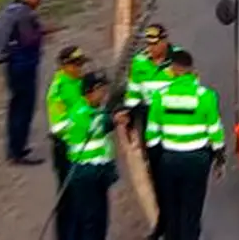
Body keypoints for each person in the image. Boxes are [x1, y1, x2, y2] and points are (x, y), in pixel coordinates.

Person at [145, 50, 225, 240]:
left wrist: (155, 162)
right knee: (191, 210)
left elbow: (152, 135)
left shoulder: (160, 96)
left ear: (172, 71)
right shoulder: (206, 96)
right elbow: (215, 131)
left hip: (169, 160)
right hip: (197, 161)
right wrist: (219, 158)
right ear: (192, 70)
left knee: (172, 210)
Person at [124, 23, 181, 239]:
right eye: (148, 44)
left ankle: (181, 224)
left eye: (155, 44)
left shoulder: (178, 60)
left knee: (176, 177)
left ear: (165, 41)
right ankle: (163, 221)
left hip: (173, 122)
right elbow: (133, 94)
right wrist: (130, 119)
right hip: (150, 124)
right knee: (156, 176)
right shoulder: (139, 62)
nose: (151, 48)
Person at [65, 71, 128, 240]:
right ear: (90, 91)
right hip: (85, 174)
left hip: (98, 173)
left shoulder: (95, 109)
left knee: (100, 220)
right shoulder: (79, 112)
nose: (104, 94)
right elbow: (97, 125)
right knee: (90, 221)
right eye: (101, 91)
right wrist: (115, 119)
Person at [6, 0, 60, 165]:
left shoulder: (12, 8)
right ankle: (18, 153)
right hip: (24, 67)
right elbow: (28, 39)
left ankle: (15, 147)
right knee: (23, 109)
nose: (40, 0)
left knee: (15, 107)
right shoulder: (25, 14)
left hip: (14, 65)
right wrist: (43, 32)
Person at [46, 45, 90, 240]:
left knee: (81, 198)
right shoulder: (58, 91)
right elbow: (59, 127)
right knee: (68, 199)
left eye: (81, 63)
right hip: (65, 149)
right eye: (76, 64)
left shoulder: (78, 81)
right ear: (64, 66)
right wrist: (85, 119)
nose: (80, 68)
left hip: (80, 146)